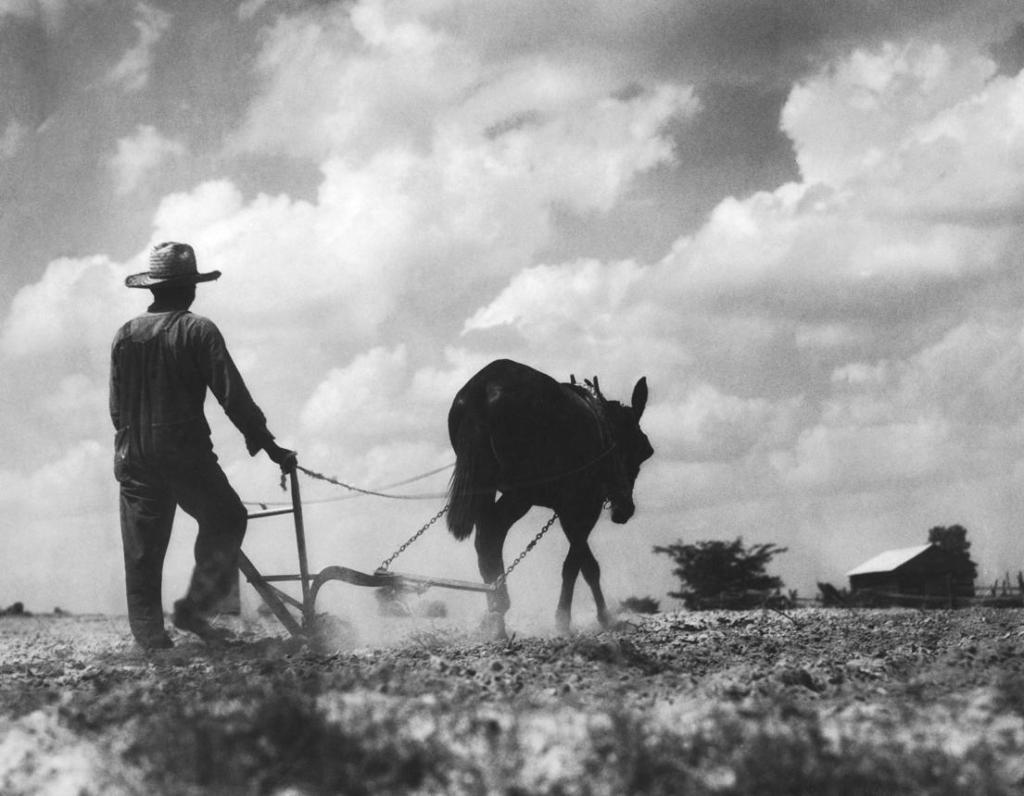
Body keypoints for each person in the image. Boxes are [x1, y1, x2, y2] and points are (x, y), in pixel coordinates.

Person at [109, 242, 295, 649]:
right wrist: (268, 445)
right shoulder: (197, 330)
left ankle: (151, 643)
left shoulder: (124, 336)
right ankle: (196, 608)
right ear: (189, 288)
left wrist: (135, 446)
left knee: (142, 552)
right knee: (227, 517)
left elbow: (117, 409)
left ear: (154, 288)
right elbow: (232, 395)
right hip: (184, 453)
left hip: (133, 455)